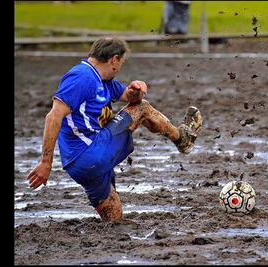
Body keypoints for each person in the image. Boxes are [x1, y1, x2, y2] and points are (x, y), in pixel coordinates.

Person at [26, 36, 202, 222]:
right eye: (122, 63)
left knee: (114, 220)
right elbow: (53, 116)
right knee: (143, 108)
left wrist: (136, 90)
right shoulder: (81, 77)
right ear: (114, 59)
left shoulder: (102, 80)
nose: (120, 69)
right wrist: (46, 162)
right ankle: (182, 139)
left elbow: (129, 98)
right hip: (91, 152)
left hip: (81, 166)